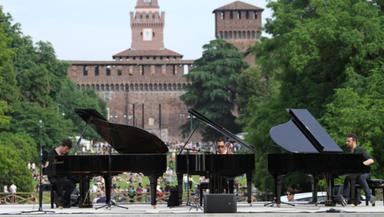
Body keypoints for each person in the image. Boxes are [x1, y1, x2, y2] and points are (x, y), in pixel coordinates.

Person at [342, 134, 375, 206]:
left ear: (354, 141)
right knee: (347, 177)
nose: (346, 142)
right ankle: (346, 198)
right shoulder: (349, 152)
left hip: (365, 173)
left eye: (348, 141)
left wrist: (361, 164)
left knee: (361, 177)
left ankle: (370, 196)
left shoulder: (361, 150)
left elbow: (371, 160)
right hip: (355, 174)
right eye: (346, 141)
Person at [44, 138, 76, 208]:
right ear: (63, 146)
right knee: (69, 184)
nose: (66, 151)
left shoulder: (65, 154)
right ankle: (62, 202)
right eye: (66, 149)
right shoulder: (51, 153)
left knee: (74, 180)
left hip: (63, 176)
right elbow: (49, 169)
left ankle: (64, 202)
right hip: (54, 177)